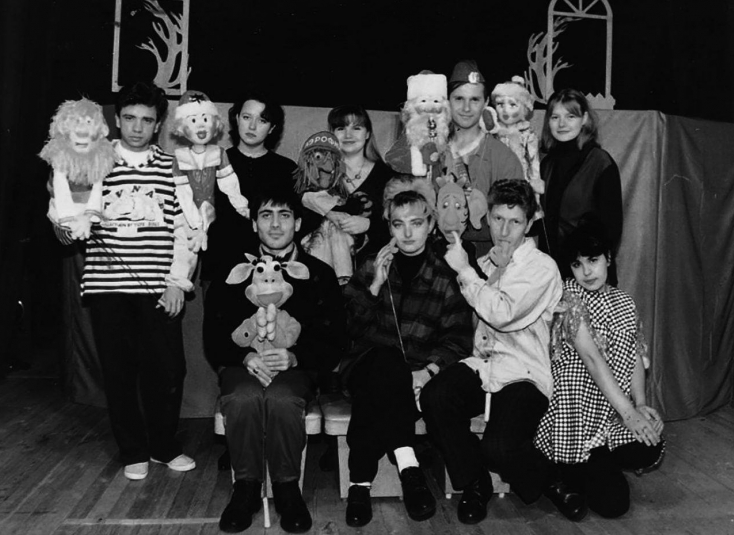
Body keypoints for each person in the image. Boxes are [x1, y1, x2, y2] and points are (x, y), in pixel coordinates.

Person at [421, 179, 569, 524]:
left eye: (515, 222)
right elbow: (467, 319)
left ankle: (550, 478)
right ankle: (475, 482)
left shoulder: (542, 267)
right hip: (483, 366)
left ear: (529, 224)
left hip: (525, 372)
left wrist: (465, 271)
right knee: (436, 397)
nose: (504, 230)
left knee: (498, 448)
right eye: (498, 219)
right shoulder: (486, 263)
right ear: (487, 217)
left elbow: (502, 313)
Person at [203, 189, 346, 534]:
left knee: (282, 399)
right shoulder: (232, 272)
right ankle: (246, 488)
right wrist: (245, 357)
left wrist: (295, 357)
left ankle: (287, 489)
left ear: (297, 222)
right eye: (266, 215)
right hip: (242, 365)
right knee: (242, 397)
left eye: (284, 215)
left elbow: (335, 339)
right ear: (254, 223)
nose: (276, 224)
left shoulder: (318, 274)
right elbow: (214, 336)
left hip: (295, 369)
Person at [80, 81, 198, 481]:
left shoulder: (174, 166)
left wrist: (177, 281)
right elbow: (70, 215)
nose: (137, 127)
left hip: (158, 288)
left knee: (168, 370)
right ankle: (133, 450)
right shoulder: (93, 162)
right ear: (117, 119)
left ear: (159, 124)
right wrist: (66, 223)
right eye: (129, 118)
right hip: (108, 287)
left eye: (147, 120)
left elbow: (187, 229)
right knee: (119, 371)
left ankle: (163, 446)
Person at [341, 189, 474, 527]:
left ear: (430, 225)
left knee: (382, 388)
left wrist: (427, 372)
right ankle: (410, 469)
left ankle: (359, 484)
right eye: (398, 224)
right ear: (390, 228)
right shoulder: (372, 264)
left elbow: (459, 340)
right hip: (365, 365)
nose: (408, 233)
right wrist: (374, 287)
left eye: (416, 223)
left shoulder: (445, 273)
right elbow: (348, 330)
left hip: (415, 379)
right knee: (386, 361)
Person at [533, 218, 665, 519]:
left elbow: (635, 356)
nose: (586, 272)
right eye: (577, 264)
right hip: (575, 415)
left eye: (592, 260)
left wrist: (640, 406)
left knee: (651, 446)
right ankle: (570, 469)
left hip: (612, 411)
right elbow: (592, 359)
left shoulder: (625, 302)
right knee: (613, 505)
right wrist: (630, 415)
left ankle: (600, 461)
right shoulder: (568, 296)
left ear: (608, 257)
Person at [201, 91, 298, 284]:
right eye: (246, 117)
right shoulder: (212, 163)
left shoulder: (287, 169)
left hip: (272, 272)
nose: (252, 126)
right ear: (237, 119)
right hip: (219, 267)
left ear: (272, 128)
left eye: (262, 120)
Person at [538, 88, 623, 284]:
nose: (562, 124)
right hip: (552, 274)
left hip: (589, 274)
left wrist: (585, 264)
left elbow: (611, 231)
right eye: (555, 117)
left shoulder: (600, 162)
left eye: (570, 116)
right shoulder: (546, 164)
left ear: (584, 119)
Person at [446, 60, 525, 256]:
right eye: (458, 98)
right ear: (447, 101)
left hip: (489, 259)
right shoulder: (433, 152)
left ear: (486, 102)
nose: (466, 108)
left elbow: (515, 223)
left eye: (474, 99)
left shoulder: (504, 158)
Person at [328, 104, 395, 261]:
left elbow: (402, 224)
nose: (348, 135)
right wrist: (327, 214)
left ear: (367, 134)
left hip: (374, 265)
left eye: (356, 128)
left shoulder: (388, 177)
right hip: (326, 266)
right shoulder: (317, 175)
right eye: (341, 128)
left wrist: (369, 225)